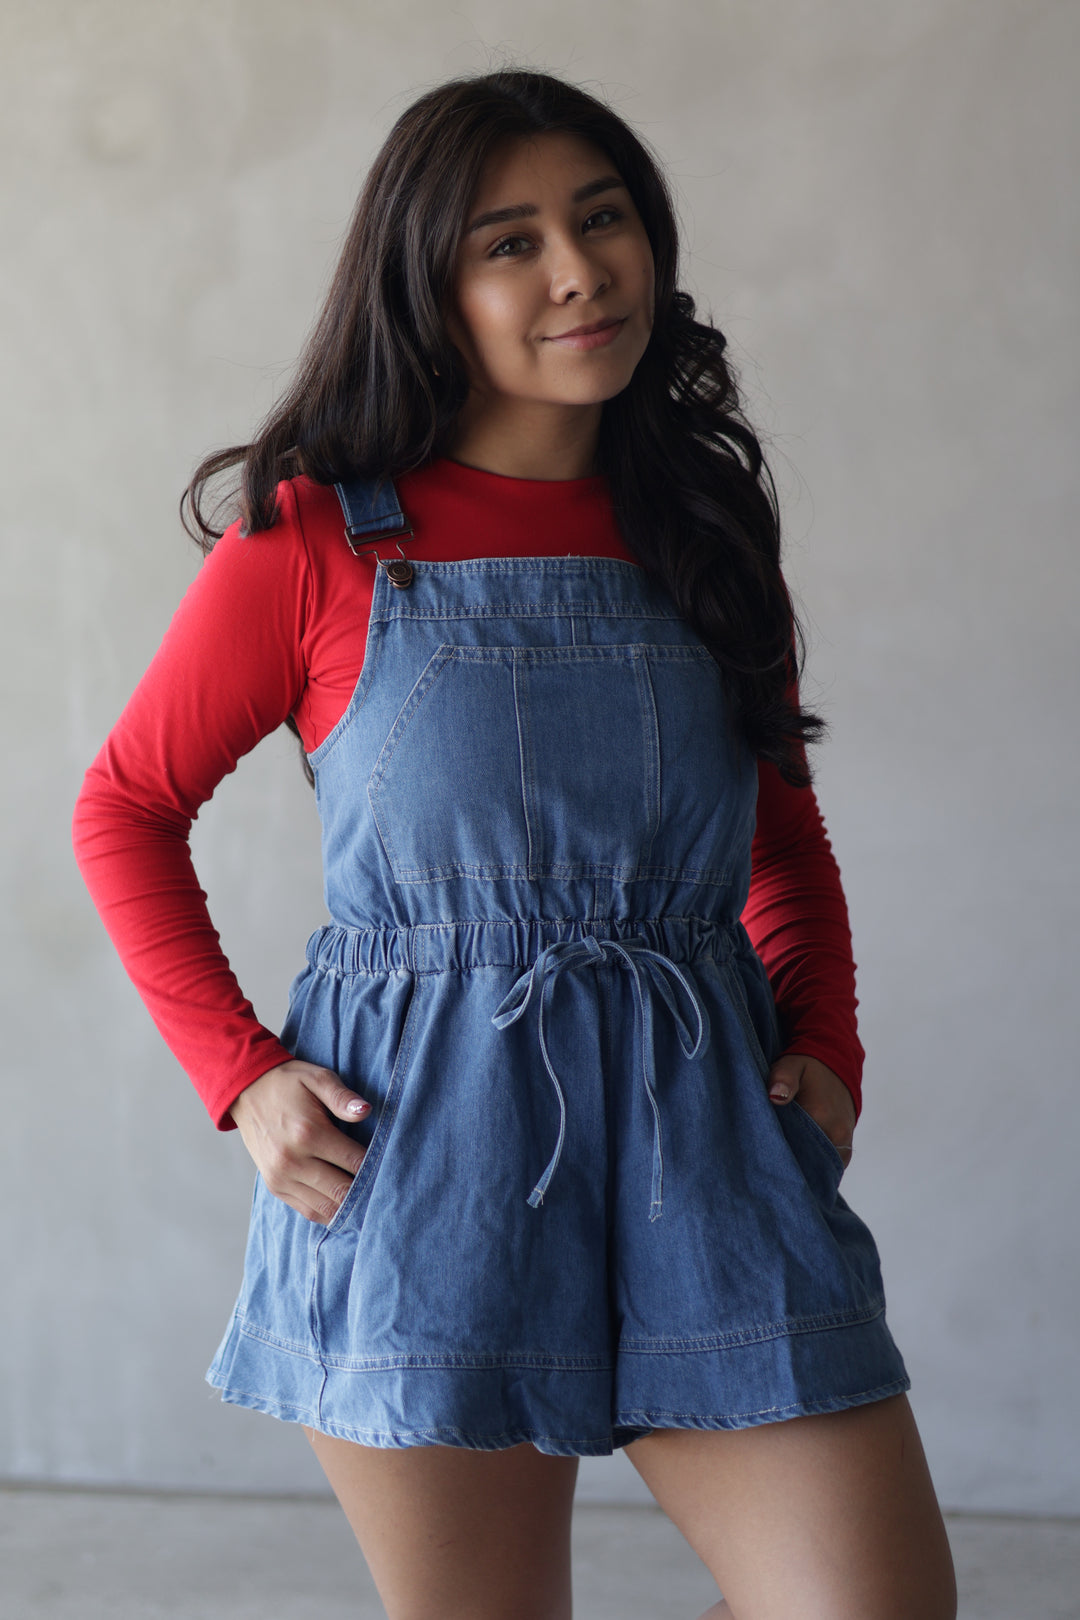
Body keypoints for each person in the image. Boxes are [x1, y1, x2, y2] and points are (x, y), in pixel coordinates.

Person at [73, 68, 957, 1620]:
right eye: (511, 240)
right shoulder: (316, 543)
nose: (577, 269)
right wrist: (243, 1073)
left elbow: (782, 833)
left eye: (601, 217)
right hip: (425, 1159)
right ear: (429, 288)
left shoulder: (699, 530)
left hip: (713, 1136)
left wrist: (827, 1043)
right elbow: (125, 809)